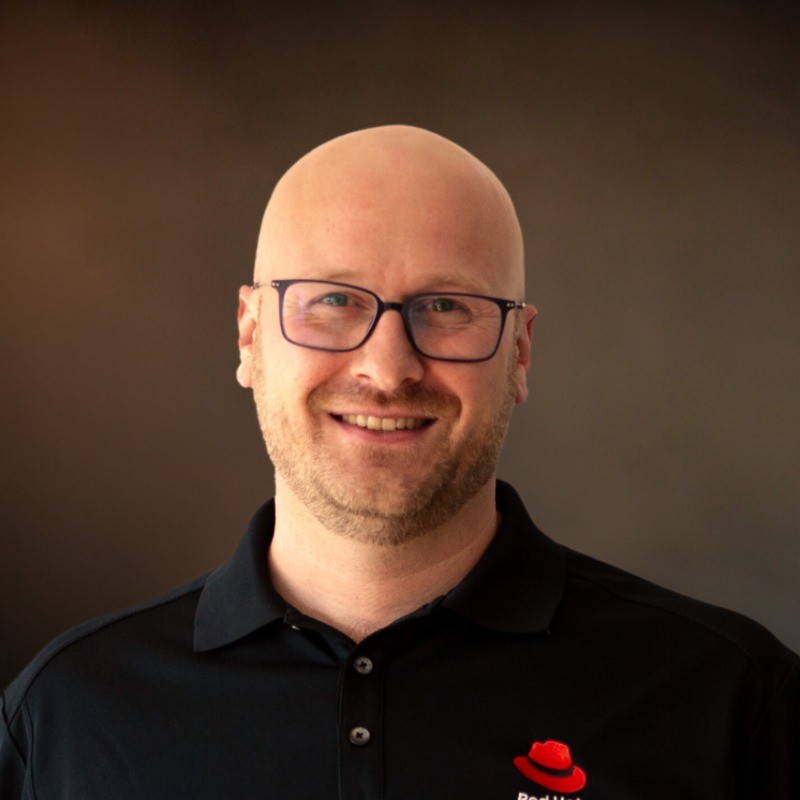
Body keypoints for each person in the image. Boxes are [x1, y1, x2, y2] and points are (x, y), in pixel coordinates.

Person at [1, 126, 796, 799]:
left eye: (446, 306)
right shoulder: (68, 714)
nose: (388, 369)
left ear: (521, 351)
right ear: (250, 334)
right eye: (334, 300)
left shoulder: (732, 699)